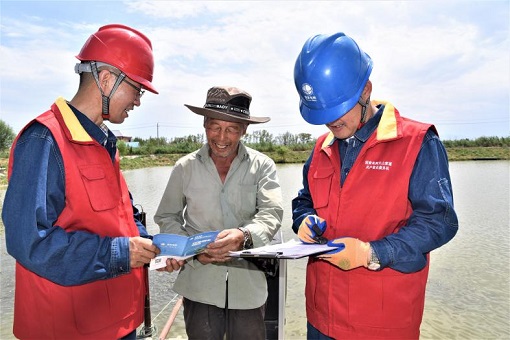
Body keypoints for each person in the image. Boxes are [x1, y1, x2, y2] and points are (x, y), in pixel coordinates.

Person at [291, 32, 459, 339]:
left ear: (365, 90)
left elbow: (440, 222)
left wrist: (372, 253)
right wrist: (303, 220)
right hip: (320, 318)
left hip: (382, 323)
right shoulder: (319, 149)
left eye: (337, 110)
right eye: (322, 115)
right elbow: (304, 200)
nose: (330, 122)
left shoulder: (417, 142)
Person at [2, 24, 160, 340]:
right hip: (70, 330)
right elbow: (29, 242)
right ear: (106, 80)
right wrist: (120, 253)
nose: (138, 101)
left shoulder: (103, 143)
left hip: (117, 322)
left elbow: (122, 214)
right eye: (136, 89)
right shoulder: (44, 139)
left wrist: (147, 245)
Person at [154, 86, 284, 340]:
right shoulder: (184, 167)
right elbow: (167, 217)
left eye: (232, 129)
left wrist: (244, 235)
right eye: (215, 127)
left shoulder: (262, 166)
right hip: (198, 283)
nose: (221, 137)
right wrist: (192, 252)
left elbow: (272, 213)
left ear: (244, 130)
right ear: (204, 124)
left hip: (249, 287)